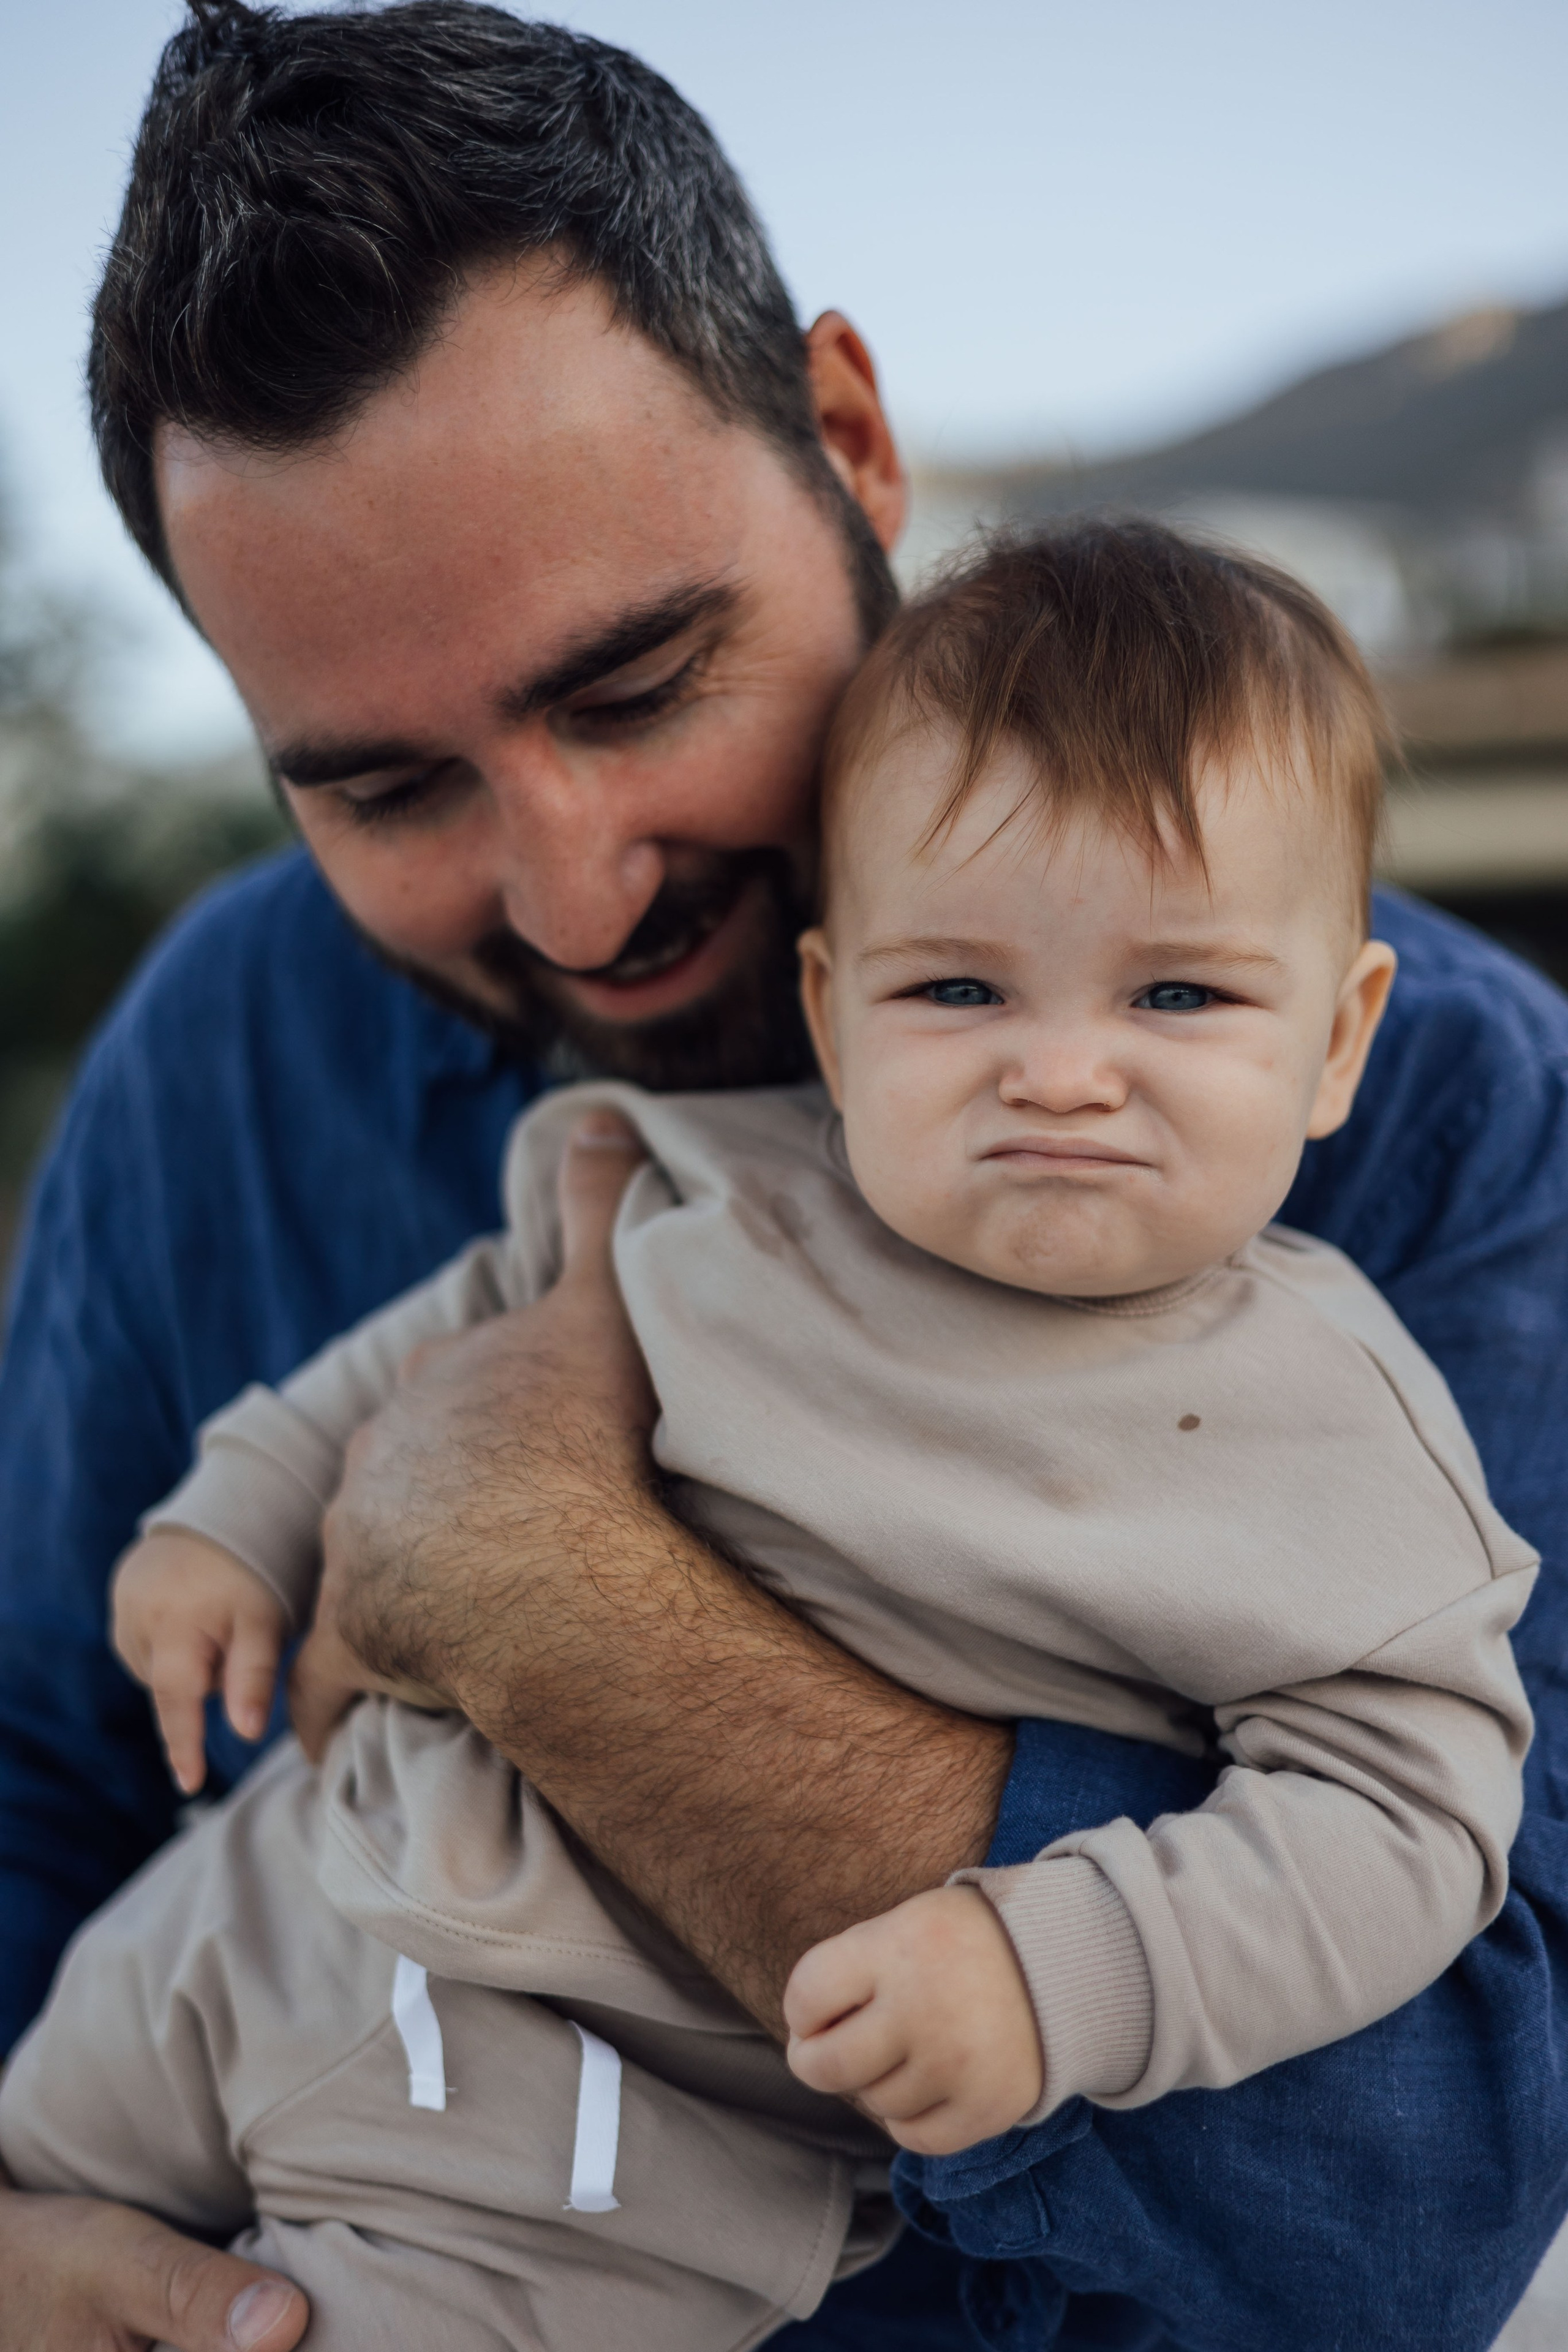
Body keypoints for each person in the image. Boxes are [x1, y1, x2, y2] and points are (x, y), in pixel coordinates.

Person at [1, 6, 1567, 2350]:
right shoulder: (227, 1051)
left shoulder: (1458, 1118)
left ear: (846, 438)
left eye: (635, 687)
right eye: (385, 788)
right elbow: (43, 1778)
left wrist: (538, 1593)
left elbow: (1430, 2186)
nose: (569, 898)